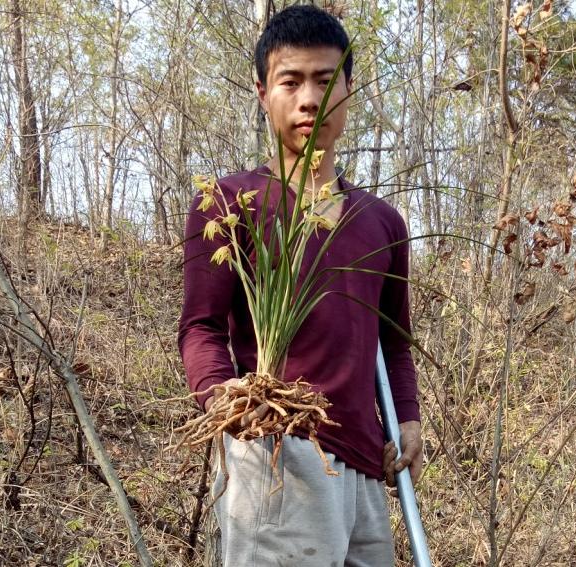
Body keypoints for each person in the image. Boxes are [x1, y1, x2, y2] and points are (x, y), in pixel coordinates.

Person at [178, 5, 422, 566]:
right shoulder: (230, 203)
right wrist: (229, 407)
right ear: (264, 92)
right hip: (275, 450)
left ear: (349, 89)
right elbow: (201, 327)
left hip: (364, 460)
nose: (310, 98)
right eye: (291, 81)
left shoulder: (381, 223)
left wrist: (406, 418)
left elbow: (394, 342)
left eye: (325, 79)